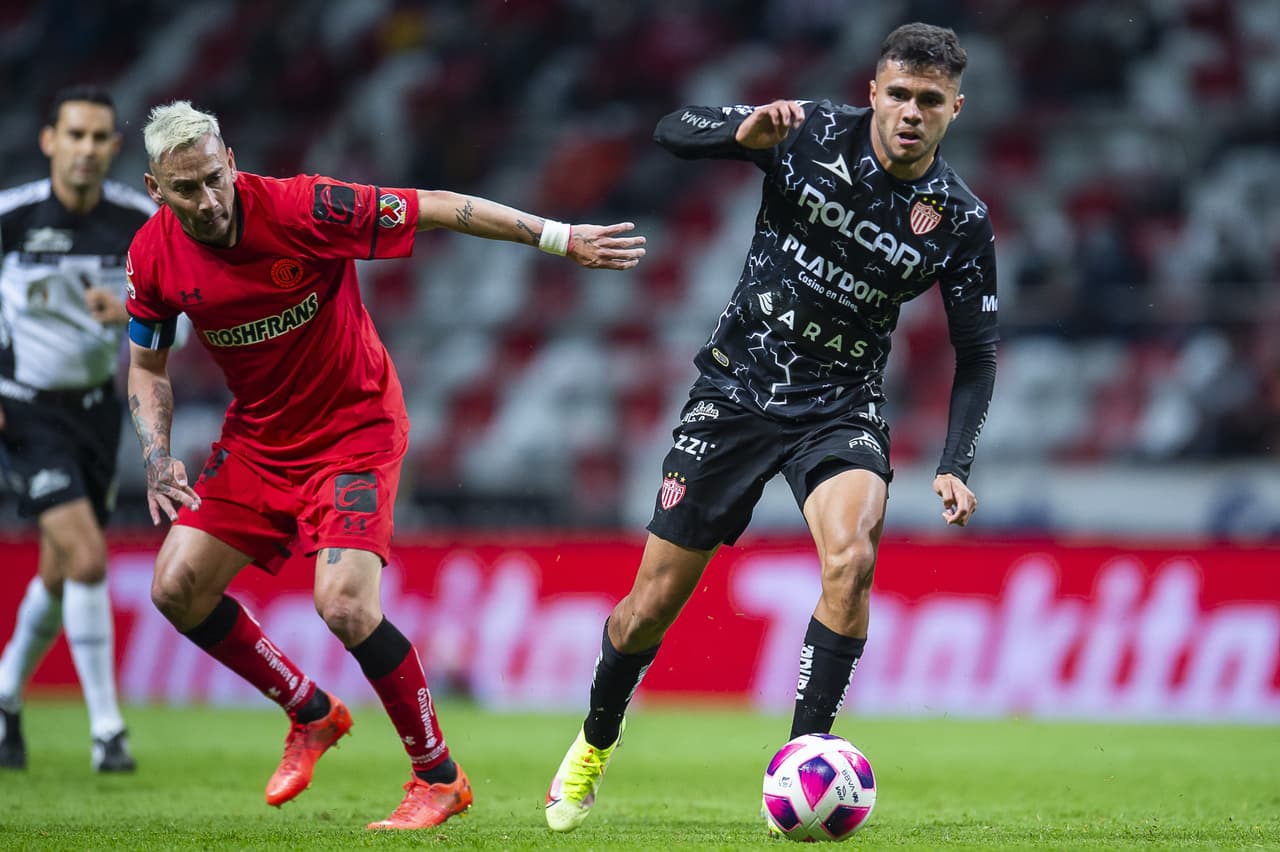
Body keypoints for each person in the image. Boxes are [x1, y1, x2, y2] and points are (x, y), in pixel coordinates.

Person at [124, 100, 645, 830]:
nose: (207, 201)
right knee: (174, 588)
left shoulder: (304, 207)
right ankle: (309, 711)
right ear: (156, 189)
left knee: (342, 603)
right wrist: (155, 456)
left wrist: (561, 239)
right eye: (187, 189)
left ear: (232, 162)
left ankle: (439, 777)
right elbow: (147, 367)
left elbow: (436, 207)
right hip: (258, 441)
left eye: (215, 178)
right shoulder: (152, 255)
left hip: (353, 430)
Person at [545, 22, 997, 833]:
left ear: (954, 110)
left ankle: (803, 762)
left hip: (839, 406)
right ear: (873, 91)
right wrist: (737, 132)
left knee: (852, 560)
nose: (910, 112)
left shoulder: (959, 218)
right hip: (736, 392)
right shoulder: (809, 131)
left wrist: (957, 459)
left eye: (930, 101)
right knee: (647, 608)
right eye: (898, 94)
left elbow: (979, 353)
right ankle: (595, 739)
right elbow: (671, 129)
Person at [0, 85, 155, 773]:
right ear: (50, 141)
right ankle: (108, 731)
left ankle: (3, 699)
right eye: (76, 136)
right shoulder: (11, 218)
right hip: (25, 409)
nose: (88, 149)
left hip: (96, 411)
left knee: (62, 573)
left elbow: (181, 304)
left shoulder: (138, 220)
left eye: (100, 138)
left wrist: (126, 310)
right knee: (89, 558)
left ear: (113, 148)